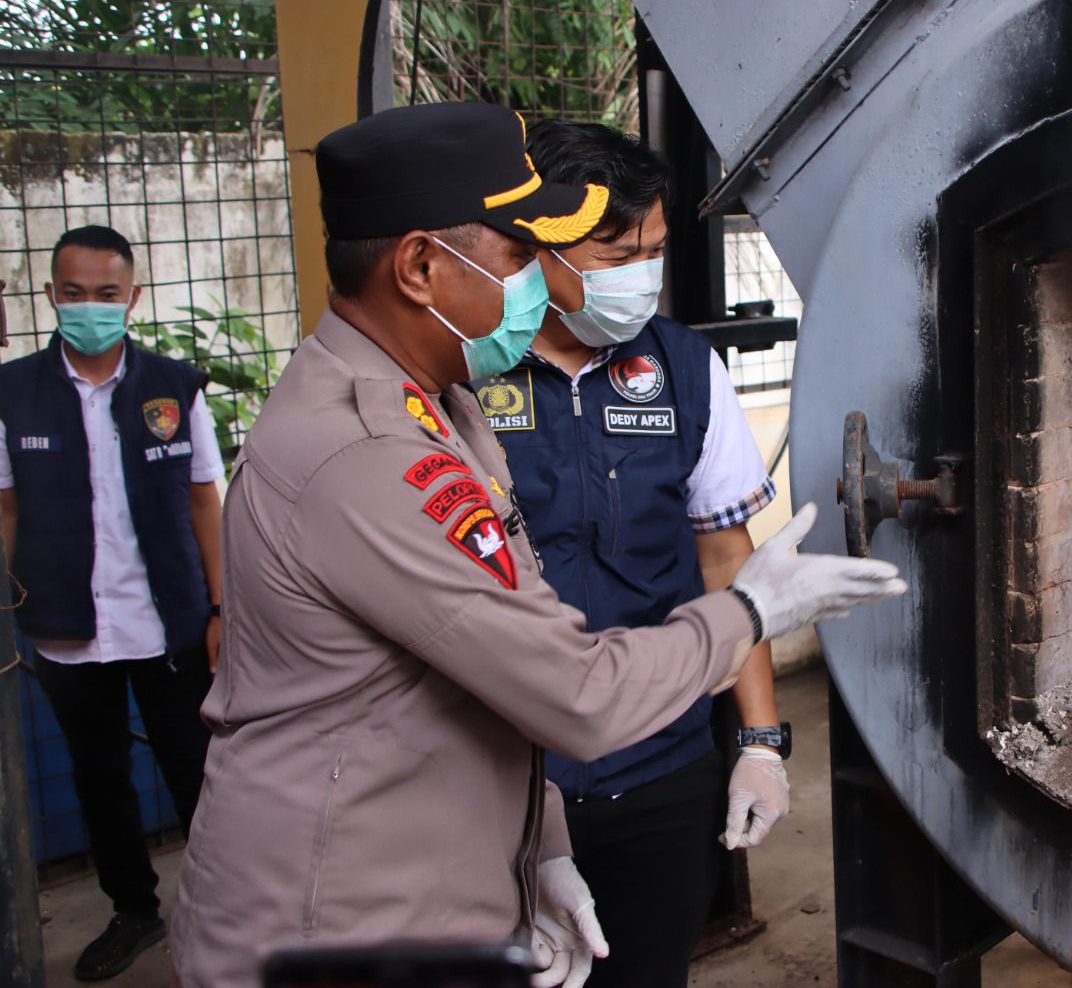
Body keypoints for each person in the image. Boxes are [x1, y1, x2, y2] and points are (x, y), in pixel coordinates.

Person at [169, 102, 905, 988]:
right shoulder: (369, 453)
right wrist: (757, 609)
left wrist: (539, 841)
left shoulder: (440, 406)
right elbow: (575, 693)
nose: (540, 284)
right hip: (341, 921)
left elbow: (488, 649)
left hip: (454, 865)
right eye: (519, 256)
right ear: (419, 267)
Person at [472, 119, 785, 988]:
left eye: (653, 249)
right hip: (495, 778)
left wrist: (759, 743)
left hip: (660, 763)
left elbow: (728, 563)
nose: (642, 276)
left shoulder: (683, 368)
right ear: (538, 249)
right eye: (616, 256)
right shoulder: (459, 371)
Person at [0, 225, 224, 981]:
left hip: (171, 625)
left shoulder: (174, 385)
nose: (88, 307)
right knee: (100, 780)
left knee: (199, 773)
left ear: (132, 298)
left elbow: (204, 502)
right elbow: (5, 509)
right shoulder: (12, 393)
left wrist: (221, 609)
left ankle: (226, 911)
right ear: (51, 296)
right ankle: (134, 910)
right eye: (72, 293)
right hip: (66, 629)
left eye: (104, 294)